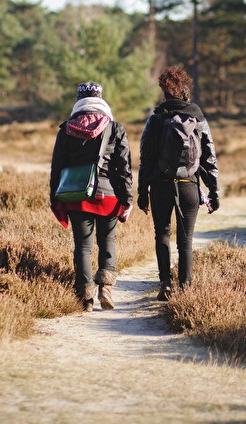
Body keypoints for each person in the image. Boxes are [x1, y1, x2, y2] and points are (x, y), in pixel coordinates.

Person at [137, 66, 220, 301]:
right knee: (186, 239)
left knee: (162, 234)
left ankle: (165, 284)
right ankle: (185, 288)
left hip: (161, 185)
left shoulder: (155, 120)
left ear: (165, 92)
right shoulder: (198, 118)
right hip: (189, 185)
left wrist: (143, 193)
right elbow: (209, 158)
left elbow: (146, 160)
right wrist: (214, 192)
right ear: (186, 92)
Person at [50, 81, 133, 312]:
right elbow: (124, 168)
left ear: (79, 100)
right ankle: (105, 287)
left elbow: (57, 167)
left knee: (83, 247)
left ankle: (85, 297)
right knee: (107, 241)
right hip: (109, 196)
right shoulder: (115, 128)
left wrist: (54, 199)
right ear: (100, 98)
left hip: (78, 196)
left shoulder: (66, 128)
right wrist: (128, 199)